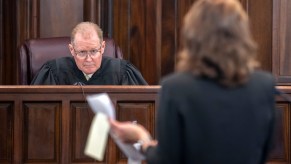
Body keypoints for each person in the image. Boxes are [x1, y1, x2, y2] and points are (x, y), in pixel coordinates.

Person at [109, 0, 276, 163]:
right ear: (243, 34)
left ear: (192, 36)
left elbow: (166, 159)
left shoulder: (176, 88)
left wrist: (142, 139)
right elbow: (265, 151)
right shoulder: (264, 85)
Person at [31, 22, 147, 85]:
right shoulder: (53, 71)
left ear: (102, 47)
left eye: (93, 51)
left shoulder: (123, 72)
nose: (88, 59)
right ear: (71, 50)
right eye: (82, 52)